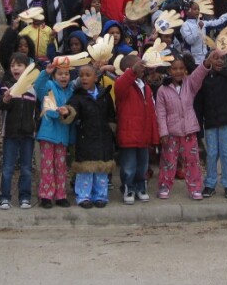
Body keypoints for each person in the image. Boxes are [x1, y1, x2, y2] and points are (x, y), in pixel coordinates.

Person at [155, 53, 209, 200]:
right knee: (168, 161)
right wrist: (163, 133)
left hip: (189, 131)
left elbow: (200, 73)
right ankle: (164, 185)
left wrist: (207, 62)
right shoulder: (162, 90)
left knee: (192, 161)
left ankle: (195, 188)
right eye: (174, 68)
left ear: (185, 69)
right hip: (171, 133)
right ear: (169, 70)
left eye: (181, 68)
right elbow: (160, 113)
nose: (178, 71)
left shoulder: (190, 84)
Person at [62, 63, 116, 208]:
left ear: (96, 77)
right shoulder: (78, 96)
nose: (84, 78)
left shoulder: (105, 95)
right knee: (85, 168)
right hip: (85, 136)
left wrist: (111, 129)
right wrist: (67, 112)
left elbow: (111, 114)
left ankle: (100, 195)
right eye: (81, 75)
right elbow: (72, 109)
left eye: (87, 75)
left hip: (103, 136)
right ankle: (83, 196)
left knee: (101, 168)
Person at [195, 47, 227, 198]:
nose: (219, 61)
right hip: (209, 122)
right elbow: (199, 104)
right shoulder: (203, 80)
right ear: (209, 60)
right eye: (215, 58)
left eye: (221, 58)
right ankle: (210, 184)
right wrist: (199, 128)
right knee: (211, 153)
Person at [114, 55, 159, 204]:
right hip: (128, 134)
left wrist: (154, 134)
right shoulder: (122, 84)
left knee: (143, 165)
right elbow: (119, 88)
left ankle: (141, 187)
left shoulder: (145, 87)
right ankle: (128, 188)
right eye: (138, 66)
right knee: (128, 165)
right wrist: (131, 71)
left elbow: (152, 112)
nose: (142, 68)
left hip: (143, 134)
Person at [0, 54, 39, 210]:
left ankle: (25, 197)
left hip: (28, 133)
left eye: (20, 65)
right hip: (10, 133)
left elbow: (37, 109)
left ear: (27, 68)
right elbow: (0, 104)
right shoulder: (6, 85)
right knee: (7, 168)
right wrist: (6, 99)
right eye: (13, 65)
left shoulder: (33, 87)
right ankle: (4, 197)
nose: (15, 68)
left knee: (26, 168)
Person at [32, 60, 75, 209]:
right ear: (54, 75)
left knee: (61, 166)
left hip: (63, 135)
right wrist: (46, 72)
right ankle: (46, 195)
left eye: (66, 73)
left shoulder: (70, 90)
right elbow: (38, 87)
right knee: (47, 166)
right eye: (60, 74)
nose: (64, 77)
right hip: (48, 134)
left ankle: (60, 195)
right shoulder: (49, 86)